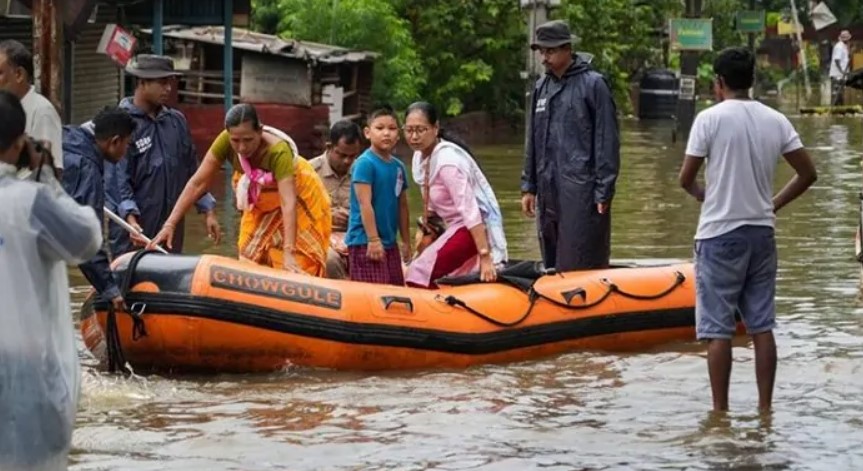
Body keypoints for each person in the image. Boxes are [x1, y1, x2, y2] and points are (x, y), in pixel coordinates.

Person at [678, 47, 818, 412]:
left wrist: (704, 196)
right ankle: (765, 410)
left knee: (717, 330)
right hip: (761, 232)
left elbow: (685, 178)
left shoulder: (709, 120)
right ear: (752, 80)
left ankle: (720, 413)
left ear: (719, 83)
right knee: (761, 326)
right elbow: (808, 174)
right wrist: (772, 204)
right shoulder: (776, 120)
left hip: (719, 233)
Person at [0, 89, 102, 471]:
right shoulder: (29, 204)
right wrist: (46, 177)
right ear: (17, 143)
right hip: (25, 376)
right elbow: (87, 239)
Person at [150, 103, 332, 276]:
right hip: (261, 201)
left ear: (260, 131)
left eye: (248, 140)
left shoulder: (278, 151)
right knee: (249, 254)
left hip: (298, 196)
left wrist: (289, 252)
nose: (242, 147)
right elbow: (197, 183)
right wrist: (170, 224)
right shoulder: (224, 142)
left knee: (298, 262)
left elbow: (288, 202)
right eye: (235, 140)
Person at [520, 20, 620, 273]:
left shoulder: (593, 85)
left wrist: (603, 190)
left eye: (550, 51)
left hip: (581, 187)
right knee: (551, 255)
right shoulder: (542, 87)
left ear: (567, 49)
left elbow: (606, 141)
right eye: (542, 52)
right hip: (547, 185)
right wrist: (528, 186)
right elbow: (532, 139)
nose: (544, 58)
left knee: (580, 254)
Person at [108, 54, 219, 255]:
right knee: (132, 283)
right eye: (162, 82)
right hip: (135, 231)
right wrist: (130, 218)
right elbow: (117, 181)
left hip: (171, 228)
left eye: (169, 82)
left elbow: (193, 172)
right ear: (142, 82)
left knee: (169, 278)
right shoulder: (120, 124)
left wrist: (207, 209)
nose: (168, 88)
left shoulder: (176, 122)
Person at [403, 101, 507, 289]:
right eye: (409, 130)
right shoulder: (420, 157)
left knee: (419, 272)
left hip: (470, 228)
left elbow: (470, 211)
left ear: (435, 128)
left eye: (420, 130)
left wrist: (484, 255)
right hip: (451, 226)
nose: (414, 136)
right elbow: (432, 205)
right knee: (418, 266)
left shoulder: (447, 162)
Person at [61, 107, 136, 312]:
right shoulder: (87, 170)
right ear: (114, 142)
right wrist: (110, 289)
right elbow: (85, 238)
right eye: (127, 144)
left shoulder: (65, 136)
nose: (126, 151)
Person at [346, 105, 411, 285]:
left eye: (391, 129)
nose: (386, 134)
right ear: (368, 133)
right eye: (380, 128)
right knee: (374, 294)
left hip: (390, 242)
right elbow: (364, 204)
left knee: (396, 288)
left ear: (398, 134)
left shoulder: (398, 167)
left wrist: (406, 241)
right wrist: (373, 240)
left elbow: (402, 206)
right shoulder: (365, 163)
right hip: (364, 240)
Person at [310, 119, 364, 279]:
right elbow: (297, 212)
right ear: (329, 147)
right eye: (342, 155)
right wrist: (329, 215)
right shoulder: (310, 171)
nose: (347, 161)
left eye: (353, 156)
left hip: (354, 234)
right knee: (330, 260)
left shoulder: (363, 172)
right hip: (319, 234)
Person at [0, 40, 63, 172]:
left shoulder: (42, 111)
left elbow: (53, 169)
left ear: (19, 75)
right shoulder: (4, 108)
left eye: (0, 73)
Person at [829, 30, 852, 106]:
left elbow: (845, 60)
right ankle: (834, 109)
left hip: (841, 75)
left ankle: (840, 110)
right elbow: (837, 60)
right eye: (848, 39)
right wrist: (841, 71)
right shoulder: (839, 47)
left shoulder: (844, 46)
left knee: (841, 94)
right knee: (836, 94)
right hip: (837, 75)